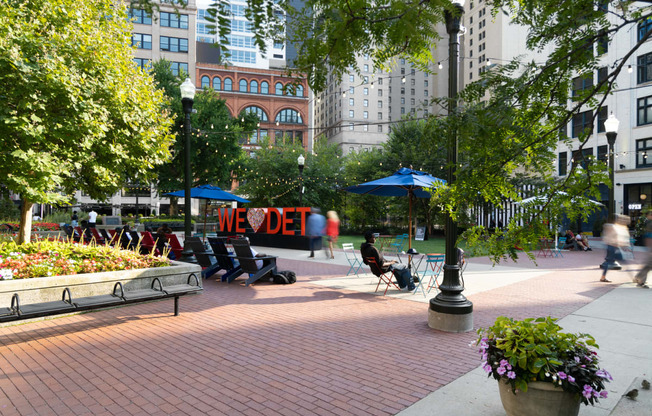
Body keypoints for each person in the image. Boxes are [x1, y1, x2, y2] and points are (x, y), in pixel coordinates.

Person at [600, 214, 630, 282]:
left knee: (621, 261)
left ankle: (603, 277)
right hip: (612, 247)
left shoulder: (619, 227)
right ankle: (603, 277)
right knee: (619, 261)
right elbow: (610, 236)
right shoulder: (613, 227)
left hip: (615, 247)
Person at [634, 210, 652, 288]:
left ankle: (639, 278)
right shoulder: (649, 223)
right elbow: (648, 236)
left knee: (648, 265)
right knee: (648, 265)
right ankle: (640, 279)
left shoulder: (648, 223)